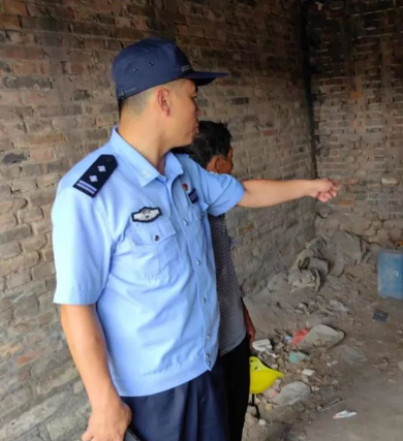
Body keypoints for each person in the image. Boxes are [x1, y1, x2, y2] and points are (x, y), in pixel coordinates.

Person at [52, 36, 338, 441]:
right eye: (193, 97)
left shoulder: (182, 171)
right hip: (154, 393)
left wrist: (308, 186)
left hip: (204, 366)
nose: (198, 111)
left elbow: (244, 192)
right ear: (163, 100)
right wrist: (104, 403)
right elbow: (76, 305)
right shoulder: (91, 193)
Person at [178, 121, 256, 441]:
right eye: (231, 158)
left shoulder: (211, 209)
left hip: (232, 333)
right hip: (212, 349)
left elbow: (222, 273)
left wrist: (242, 311)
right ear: (217, 165)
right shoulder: (194, 217)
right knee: (222, 423)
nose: (233, 168)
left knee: (232, 418)